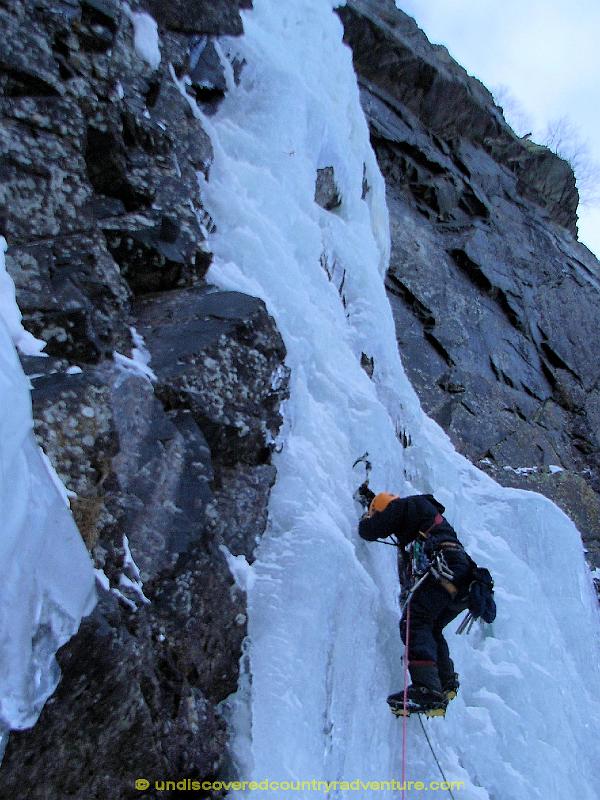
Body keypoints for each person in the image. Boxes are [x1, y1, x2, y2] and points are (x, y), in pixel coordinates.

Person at [358, 491, 491, 715]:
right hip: (462, 577)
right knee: (431, 625)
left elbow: (371, 530)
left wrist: (365, 520)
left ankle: (427, 689)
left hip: (446, 569)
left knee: (414, 620)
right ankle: (444, 682)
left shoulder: (405, 505)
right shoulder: (423, 517)